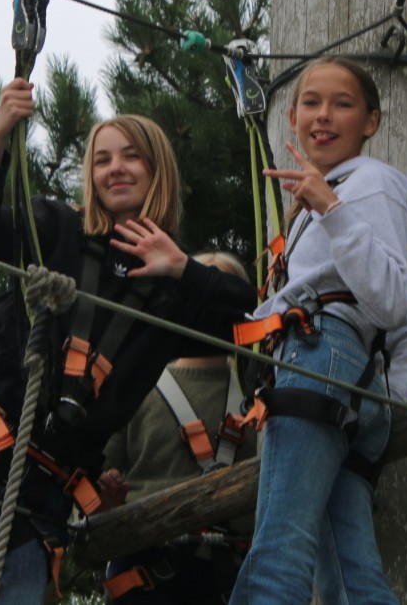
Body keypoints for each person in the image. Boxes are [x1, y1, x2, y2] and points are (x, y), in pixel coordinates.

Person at [0, 79, 256, 605]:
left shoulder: (173, 292)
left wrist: (182, 268)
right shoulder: (59, 229)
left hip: (50, 474)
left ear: (157, 171)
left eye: (131, 156)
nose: (115, 169)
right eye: (102, 160)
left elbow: (246, 312)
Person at [228, 57, 407, 605]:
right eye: (311, 103)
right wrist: (378, 403)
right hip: (341, 373)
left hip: (320, 358)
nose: (323, 115)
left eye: (342, 104)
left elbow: (389, 302)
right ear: (292, 117)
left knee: (280, 549)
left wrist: (331, 208)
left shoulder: (367, 185)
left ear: (371, 122)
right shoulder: (336, 195)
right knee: (347, 570)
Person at [97, 251, 258, 604]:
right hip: (143, 572)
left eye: (219, 291)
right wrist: (104, 499)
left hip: (235, 578)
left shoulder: (259, 397)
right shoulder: (135, 386)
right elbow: (93, 487)